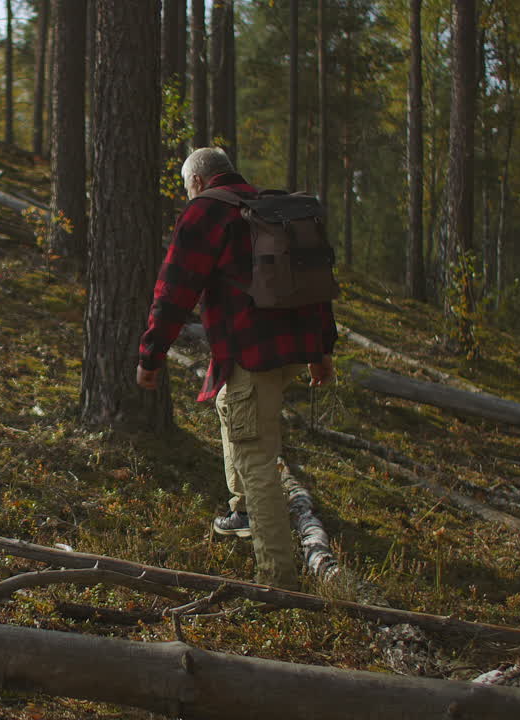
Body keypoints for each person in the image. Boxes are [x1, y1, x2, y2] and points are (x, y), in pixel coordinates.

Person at [135, 147, 337, 591]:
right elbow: (316, 283)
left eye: (188, 188)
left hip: (252, 352)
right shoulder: (269, 207)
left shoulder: (205, 212)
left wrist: (152, 355)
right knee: (231, 404)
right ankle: (242, 512)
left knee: (255, 456)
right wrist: (321, 351)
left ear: (198, 182)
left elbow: (174, 290)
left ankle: (277, 578)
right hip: (287, 350)